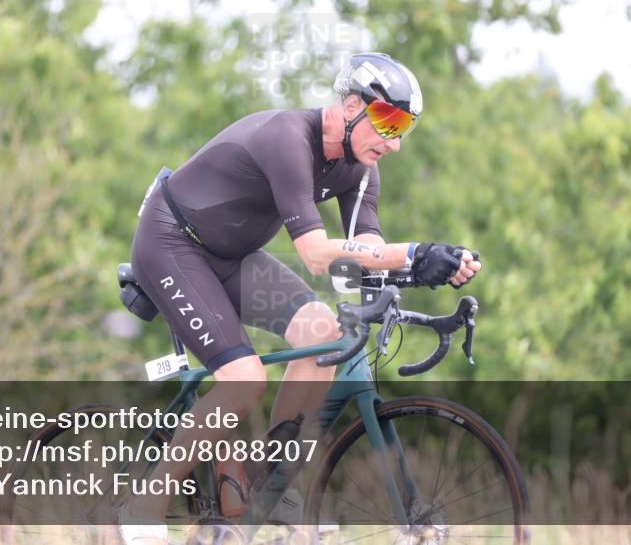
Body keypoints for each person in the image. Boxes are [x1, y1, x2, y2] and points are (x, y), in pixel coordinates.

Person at [123, 52, 481, 543]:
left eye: (404, 128)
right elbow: (315, 254)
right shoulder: (289, 139)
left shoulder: (361, 168)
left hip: (232, 256)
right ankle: (143, 506)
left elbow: (367, 254)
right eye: (389, 122)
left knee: (323, 333)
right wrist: (416, 252)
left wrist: (425, 268)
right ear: (352, 105)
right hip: (171, 244)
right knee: (245, 380)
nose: (394, 142)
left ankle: (268, 485)